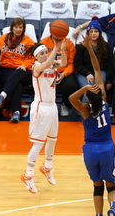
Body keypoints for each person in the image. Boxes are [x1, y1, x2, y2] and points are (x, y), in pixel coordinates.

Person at [69, 34, 115, 216]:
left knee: (97, 186)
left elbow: (70, 98)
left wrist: (84, 87)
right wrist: (90, 49)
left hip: (90, 150)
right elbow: (98, 69)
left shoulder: (84, 109)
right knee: (112, 184)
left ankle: (98, 214)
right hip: (107, 148)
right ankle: (113, 209)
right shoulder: (105, 102)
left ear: (88, 98)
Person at [20, 38, 69, 194]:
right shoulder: (36, 68)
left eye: (46, 52)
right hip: (41, 107)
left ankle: (47, 167)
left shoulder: (51, 67)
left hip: (52, 107)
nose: (45, 55)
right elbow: (48, 63)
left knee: (53, 140)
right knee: (38, 143)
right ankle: (28, 174)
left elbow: (63, 63)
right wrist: (55, 47)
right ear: (36, 57)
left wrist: (63, 49)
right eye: (42, 53)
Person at [0, 18, 34, 123]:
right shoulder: (3, 39)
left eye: (20, 27)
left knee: (18, 72)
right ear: (12, 28)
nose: (18, 29)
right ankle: (16, 113)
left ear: (24, 29)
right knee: (16, 84)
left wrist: (24, 65)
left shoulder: (28, 41)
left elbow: (32, 58)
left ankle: (2, 96)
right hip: (6, 69)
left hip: (23, 70)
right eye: (16, 27)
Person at [40, 22, 79, 116]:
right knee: (42, 86)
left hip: (63, 71)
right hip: (47, 71)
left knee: (72, 87)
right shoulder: (43, 42)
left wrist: (63, 74)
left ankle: (64, 104)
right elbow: (40, 61)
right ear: (51, 31)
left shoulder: (69, 44)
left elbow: (71, 64)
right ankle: (45, 107)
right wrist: (49, 72)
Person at [74, 17, 114, 102]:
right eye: (91, 32)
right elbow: (77, 64)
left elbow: (110, 64)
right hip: (84, 73)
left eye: (96, 31)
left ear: (99, 33)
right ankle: (86, 109)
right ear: (87, 33)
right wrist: (87, 73)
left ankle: (100, 107)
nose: (93, 34)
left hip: (101, 71)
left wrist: (109, 80)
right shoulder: (81, 46)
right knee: (88, 87)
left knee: (98, 87)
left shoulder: (106, 46)